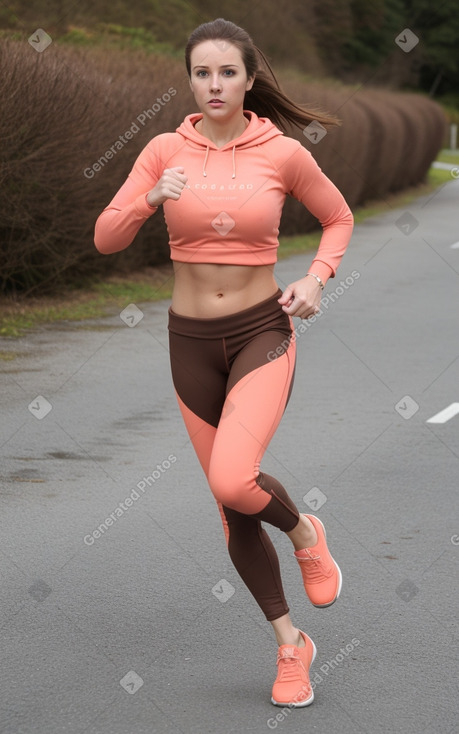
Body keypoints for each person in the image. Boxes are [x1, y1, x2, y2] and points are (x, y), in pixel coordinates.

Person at [94, 17, 354, 708]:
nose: (214, 85)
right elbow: (104, 237)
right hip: (189, 344)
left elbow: (338, 217)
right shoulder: (160, 150)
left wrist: (316, 279)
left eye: (227, 73)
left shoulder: (281, 153)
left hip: (260, 332)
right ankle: (289, 646)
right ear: (189, 79)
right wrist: (150, 199)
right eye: (202, 73)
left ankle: (305, 532)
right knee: (230, 510)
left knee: (235, 480)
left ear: (248, 79)